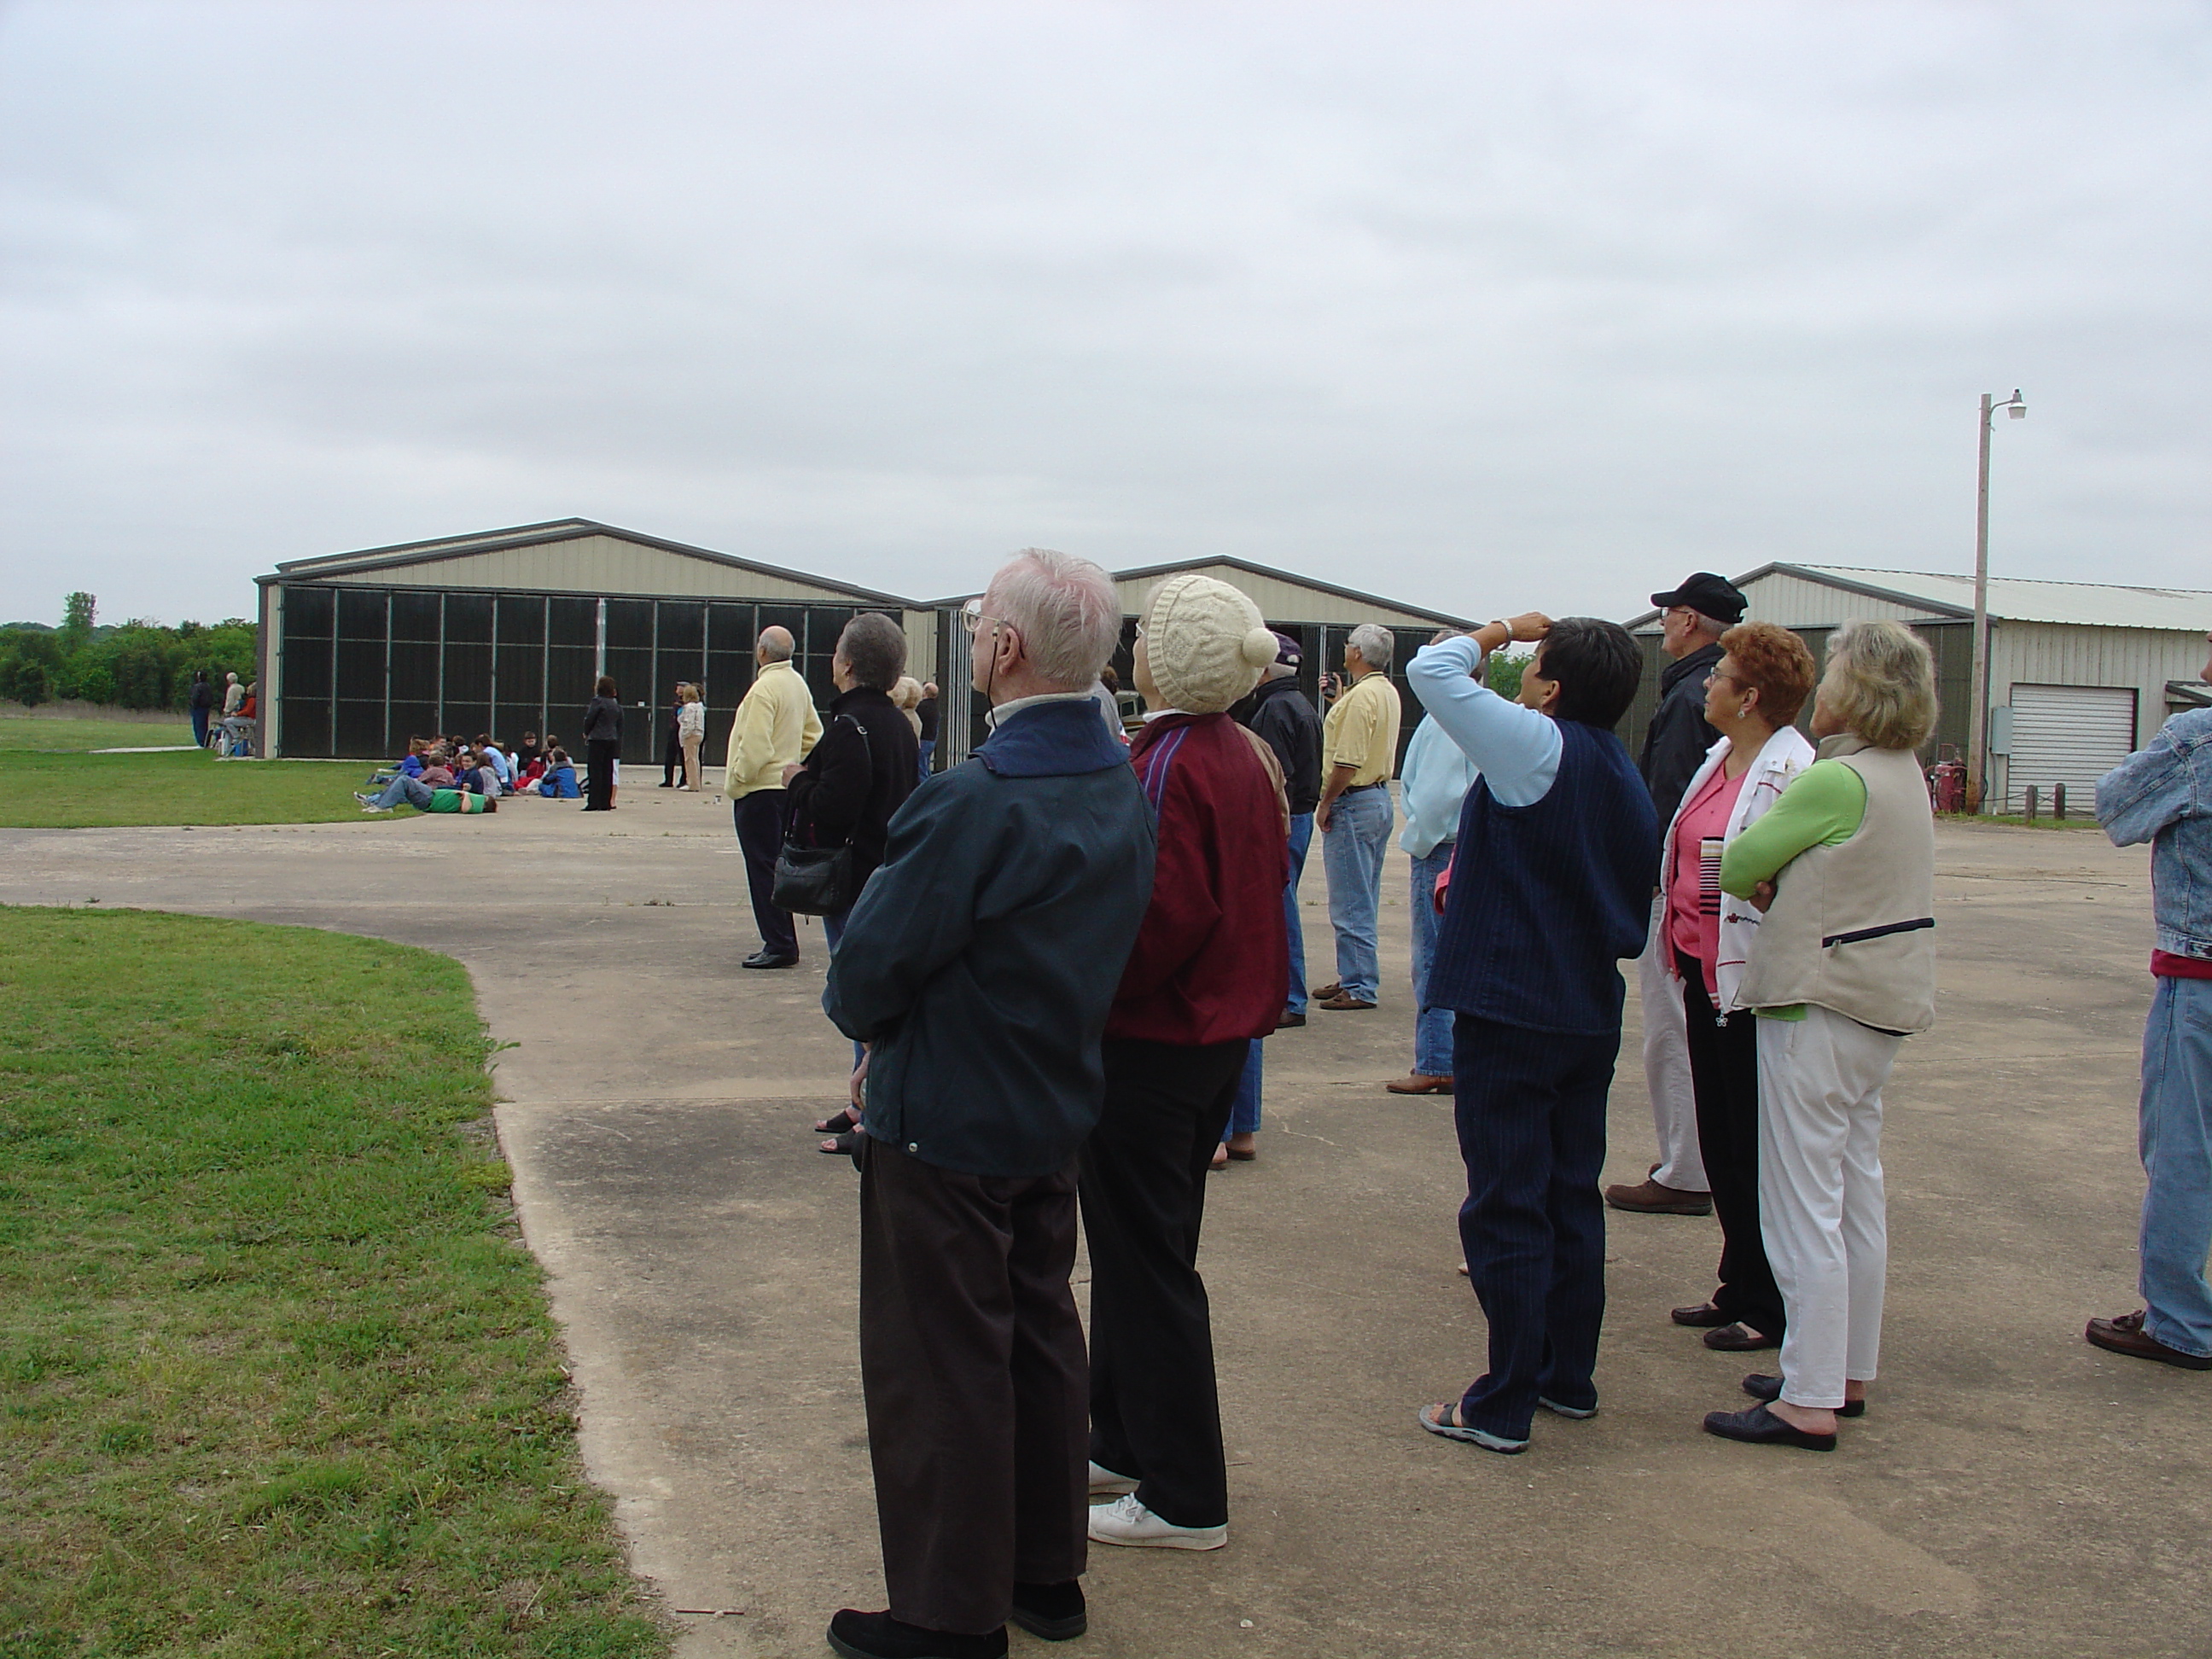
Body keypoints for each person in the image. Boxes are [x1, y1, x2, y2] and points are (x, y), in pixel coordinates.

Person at [820, 549, 1154, 1659]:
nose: (971, 644)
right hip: (1051, 1098)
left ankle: (948, 1612)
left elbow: (865, 974)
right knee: (1041, 1332)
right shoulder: (1116, 780)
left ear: (1005, 649)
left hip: (948, 1115)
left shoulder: (974, 800)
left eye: (976, 628)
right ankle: (1043, 1573)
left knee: (942, 1359)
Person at [1407, 614, 1657, 1455]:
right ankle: (1564, 1375)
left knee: (1507, 1202)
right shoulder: (1619, 771)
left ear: (1551, 689)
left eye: (1530, 668)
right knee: (1566, 1194)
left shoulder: (1539, 746)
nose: (1517, 677)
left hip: (1515, 1008)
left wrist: (1504, 628)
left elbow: (1435, 673)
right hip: (1584, 1005)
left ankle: (1501, 1401)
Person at [1083, 575, 1286, 1555]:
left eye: (1147, 638)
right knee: (1141, 1254)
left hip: (1157, 1041)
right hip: (1212, 1043)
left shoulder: (1168, 763)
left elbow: (1156, 917)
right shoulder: (1236, 753)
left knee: (1147, 1263)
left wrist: (1087, 995)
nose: (1134, 650)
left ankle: (1184, 1492)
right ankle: (1119, 1434)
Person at [1701, 619, 1938, 1452]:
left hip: (1816, 1004)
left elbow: (1733, 864)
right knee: (1855, 1189)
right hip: (1881, 1002)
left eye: (1835, 675)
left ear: (1859, 692)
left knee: (1802, 1202)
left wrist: (1777, 875)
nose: (1824, 691)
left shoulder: (1837, 780)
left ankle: (1807, 1396)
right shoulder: (1906, 775)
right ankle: (1843, 1369)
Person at [1653, 624, 1816, 1357]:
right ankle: (1736, 1277)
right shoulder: (1721, 758)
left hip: (1747, 980)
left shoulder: (1790, 771)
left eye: (1720, 675)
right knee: (1721, 1136)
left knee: (1753, 1142)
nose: (1708, 684)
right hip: (1699, 966)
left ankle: (1767, 1299)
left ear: (1750, 697)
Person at [2087, 632, 2212, 1372]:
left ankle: (2180, 1320)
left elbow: (2116, 807)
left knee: (2182, 1149)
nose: (2202, 671)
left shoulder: (2198, 738)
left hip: (2199, 977)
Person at [1607, 571, 1746, 1220]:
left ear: (1690, 621)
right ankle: (1693, 1160)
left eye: (1669, 615)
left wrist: (1648, 878)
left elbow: (1670, 801)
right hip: (1701, 886)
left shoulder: (1694, 694)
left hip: (1678, 886)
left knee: (1671, 1029)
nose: (1662, 624)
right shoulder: (1709, 693)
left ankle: (1687, 1167)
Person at [784, 614, 919, 1155]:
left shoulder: (848, 728)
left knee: (859, 1003)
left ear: (846, 665)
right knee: (865, 997)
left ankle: (875, 1113)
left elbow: (832, 809)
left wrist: (798, 782)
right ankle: (863, 1103)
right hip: (890, 878)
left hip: (853, 885)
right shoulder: (898, 728)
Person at [1215, 631, 1324, 1167]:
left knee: (1221, 991)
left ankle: (1218, 1129)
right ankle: (1243, 1128)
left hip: (1245, 870)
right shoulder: (1294, 708)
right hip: (1278, 842)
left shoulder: (1261, 723)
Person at [1390, 631, 1482, 1096]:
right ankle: (1447, 1057)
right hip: (1455, 845)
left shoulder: (1448, 720)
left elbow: (1437, 796)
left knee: (1433, 958)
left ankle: (1437, 1060)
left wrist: (1420, 841)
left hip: (1440, 848)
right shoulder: (1468, 715)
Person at [1313, 625, 1402, 1012]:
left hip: (1353, 800)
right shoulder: (1384, 691)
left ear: (1357, 654)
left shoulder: (1361, 697)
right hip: (1378, 800)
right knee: (1363, 894)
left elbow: (1347, 761)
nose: (1345, 650)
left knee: (1350, 900)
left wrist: (1326, 802)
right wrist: (1338, 700)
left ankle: (1361, 984)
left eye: (1349, 646)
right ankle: (1354, 972)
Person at [726, 626, 823, 969]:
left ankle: (779, 943)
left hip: (758, 791)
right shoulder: (797, 684)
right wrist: (793, 762)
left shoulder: (763, 689)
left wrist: (739, 776)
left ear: (762, 652)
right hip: (785, 790)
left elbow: (754, 745)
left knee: (762, 868)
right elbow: (815, 734)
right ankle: (783, 940)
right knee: (778, 865)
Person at [581, 677, 622, 812]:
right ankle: (605, 802)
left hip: (597, 738)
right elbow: (620, 722)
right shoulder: (615, 704)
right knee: (607, 771)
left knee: (595, 771)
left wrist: (586, 732)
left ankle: (593, 802)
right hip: (612, 739)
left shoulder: (597, 701)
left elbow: (590, 718)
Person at [677, 685, 706, 790]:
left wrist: (684, 735)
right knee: (695, 759)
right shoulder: (699, 707)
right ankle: (695, 783)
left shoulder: (689, 708)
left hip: (691, 735)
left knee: (690, 760)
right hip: (699, 734)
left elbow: (688, 723)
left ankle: (692, 784)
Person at [661, 683, 686, 787]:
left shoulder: (686, 702)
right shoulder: (676, 701)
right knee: (670, 755)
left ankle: (683, 780)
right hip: (674, 729)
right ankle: (668, 779)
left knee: (683, 756)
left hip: (681, 730)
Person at [916, 680, 940, 782]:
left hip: (923, 740)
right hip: (931, 740)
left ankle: (925, 789)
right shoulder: (935, 708)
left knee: (921, 769)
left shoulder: (921, 706)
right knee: (926, 766)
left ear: (924, 692)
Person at [189, 670, 213, 749]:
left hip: (198, 708)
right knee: (204, 725)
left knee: (198, 725)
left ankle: (201, 742)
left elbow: (195, 698)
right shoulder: (208, 686)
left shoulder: (197, 687)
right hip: (206, 708)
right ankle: (206, 742)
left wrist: (193, 705)